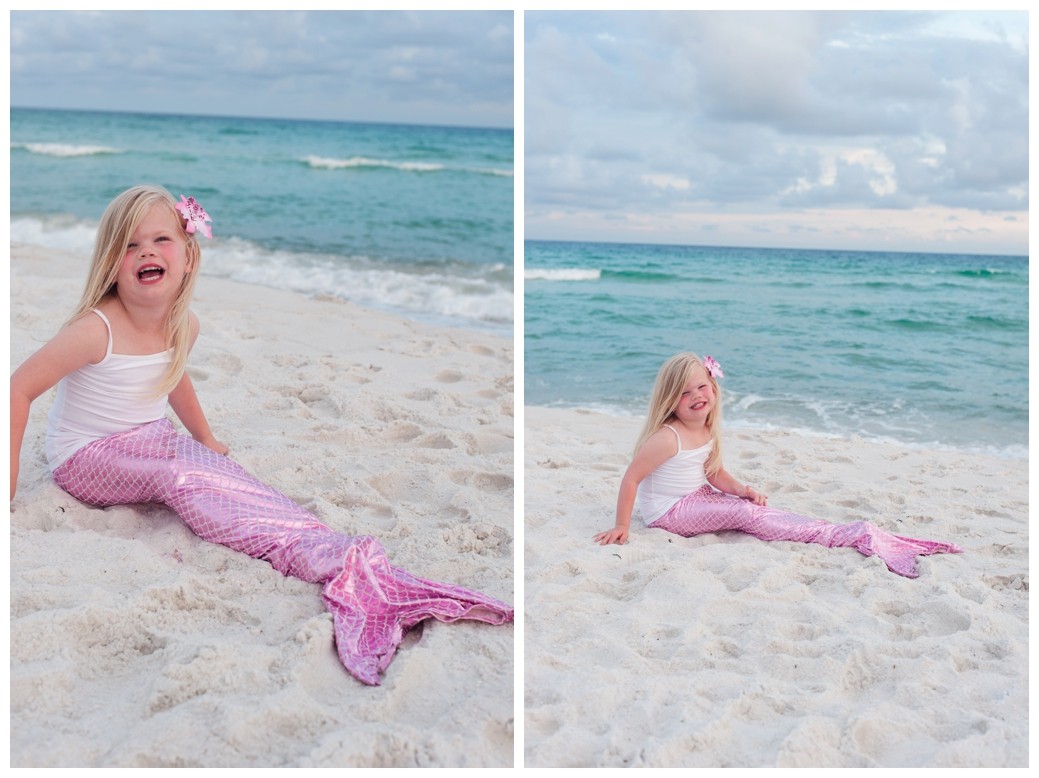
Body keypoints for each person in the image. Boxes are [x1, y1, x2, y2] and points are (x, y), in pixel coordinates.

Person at [9, 185, 512, 685]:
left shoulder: (184, 325)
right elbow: (18, 390)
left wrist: (205, 437)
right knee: (178, 477)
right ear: (111, 263)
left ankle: (334, 547)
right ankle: (310, 558)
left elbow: (171, 375)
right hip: (86, 456)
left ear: (187, 255)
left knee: (220, 471)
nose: (145, 252)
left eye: (161, 239)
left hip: (148, 433)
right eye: (129, 244)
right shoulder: (96, 330)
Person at [593, 352, 962, 578]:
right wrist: (622, 526)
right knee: (745, 517)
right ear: (670, 400)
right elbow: (631, 479)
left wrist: (742, 490)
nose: (696, 397)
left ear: (714, 386)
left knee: (749, 507)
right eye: (685, 393)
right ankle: (843, 536)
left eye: (702, 387)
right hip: (668, 512)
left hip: (695, 496)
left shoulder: (704, 428)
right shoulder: (666, 437)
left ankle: (836, 529)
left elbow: (712, 472)